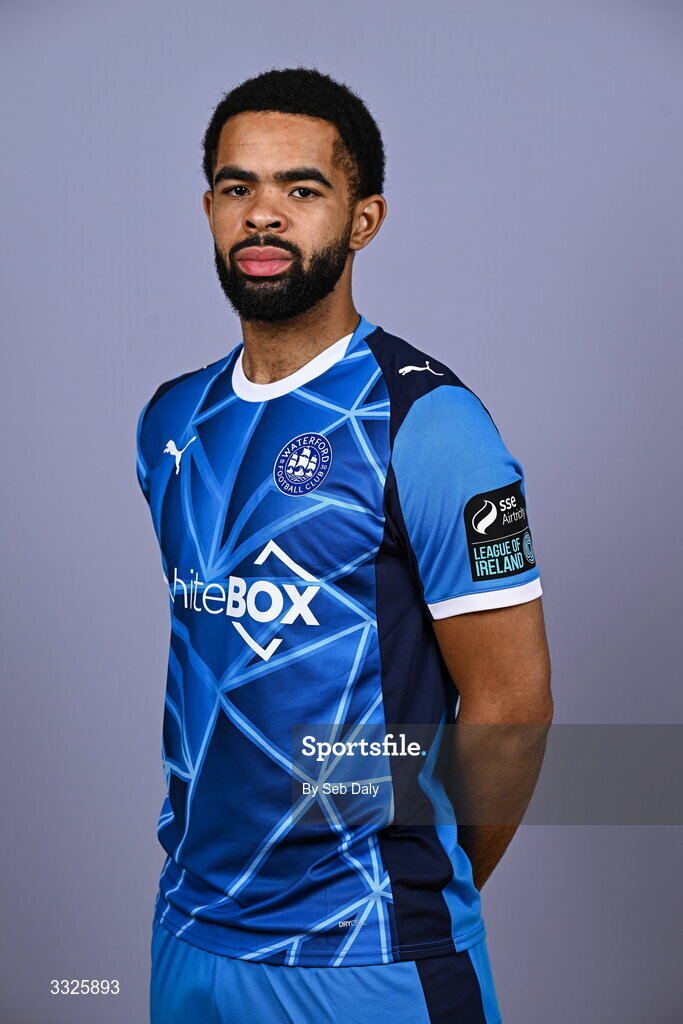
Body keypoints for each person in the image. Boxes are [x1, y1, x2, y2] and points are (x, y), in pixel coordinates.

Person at [136, 66, 552, 1024]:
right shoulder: (171, 420)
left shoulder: (432, 426)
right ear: (208, 209)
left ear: (363, 220)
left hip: (367, 957)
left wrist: (421, 888)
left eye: (302, 189)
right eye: (238, 188)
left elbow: (513, 707)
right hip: (188, 936)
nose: (264, 216)